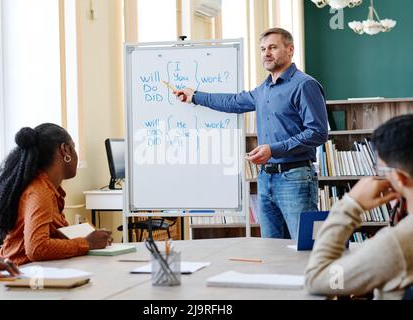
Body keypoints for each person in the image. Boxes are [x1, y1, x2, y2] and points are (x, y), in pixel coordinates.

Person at [174, 28, 328, 239]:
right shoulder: (263, 89)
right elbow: (233, 102)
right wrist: (195, 96)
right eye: (263, 49)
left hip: (296, 178)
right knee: (272, 251)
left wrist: (273, 149)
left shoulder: (304, 85)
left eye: (273, 47)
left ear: (290, 50)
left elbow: (318, 132)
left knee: (304, 248)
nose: (266, 53)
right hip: (266, 178)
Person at [305, 114, 413, 299]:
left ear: (400, 178)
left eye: (382, 170)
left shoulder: (397, 243)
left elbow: (317, 279)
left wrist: (350, 203)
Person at [0, 123, 111, 266]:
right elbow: (36, 248)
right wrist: (87, 242)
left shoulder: (46, 188)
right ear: (65, 150)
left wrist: (83, 237)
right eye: (74, 147)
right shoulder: (40, 192)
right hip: (21, 274)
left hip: (32, 271)